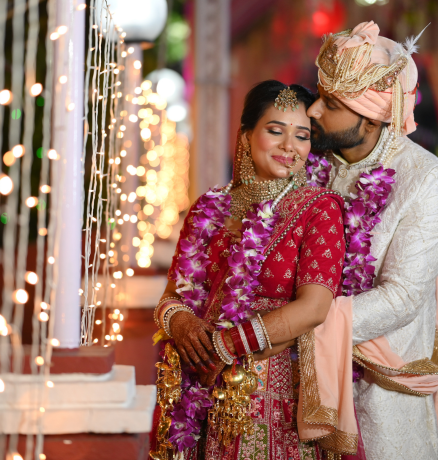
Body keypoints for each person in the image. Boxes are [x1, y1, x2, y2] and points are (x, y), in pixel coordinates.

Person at [152, 81, 355, 459]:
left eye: (302, 136)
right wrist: (179, 322)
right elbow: (172, 296)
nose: (290, 146)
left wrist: (227, 345)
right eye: (275, 131)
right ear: (246, 135)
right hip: (197, 389)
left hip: (272, 394)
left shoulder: (318, 208)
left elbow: (314, 307)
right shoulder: (209, 206)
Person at [306, 21, 438, 460]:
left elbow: (403, 296)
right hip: (297, 385)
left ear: (370, 118)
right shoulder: (309, 162)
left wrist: (299, 325)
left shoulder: (424, 177)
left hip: (383, 396)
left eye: (330, 103)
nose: (312, 111)